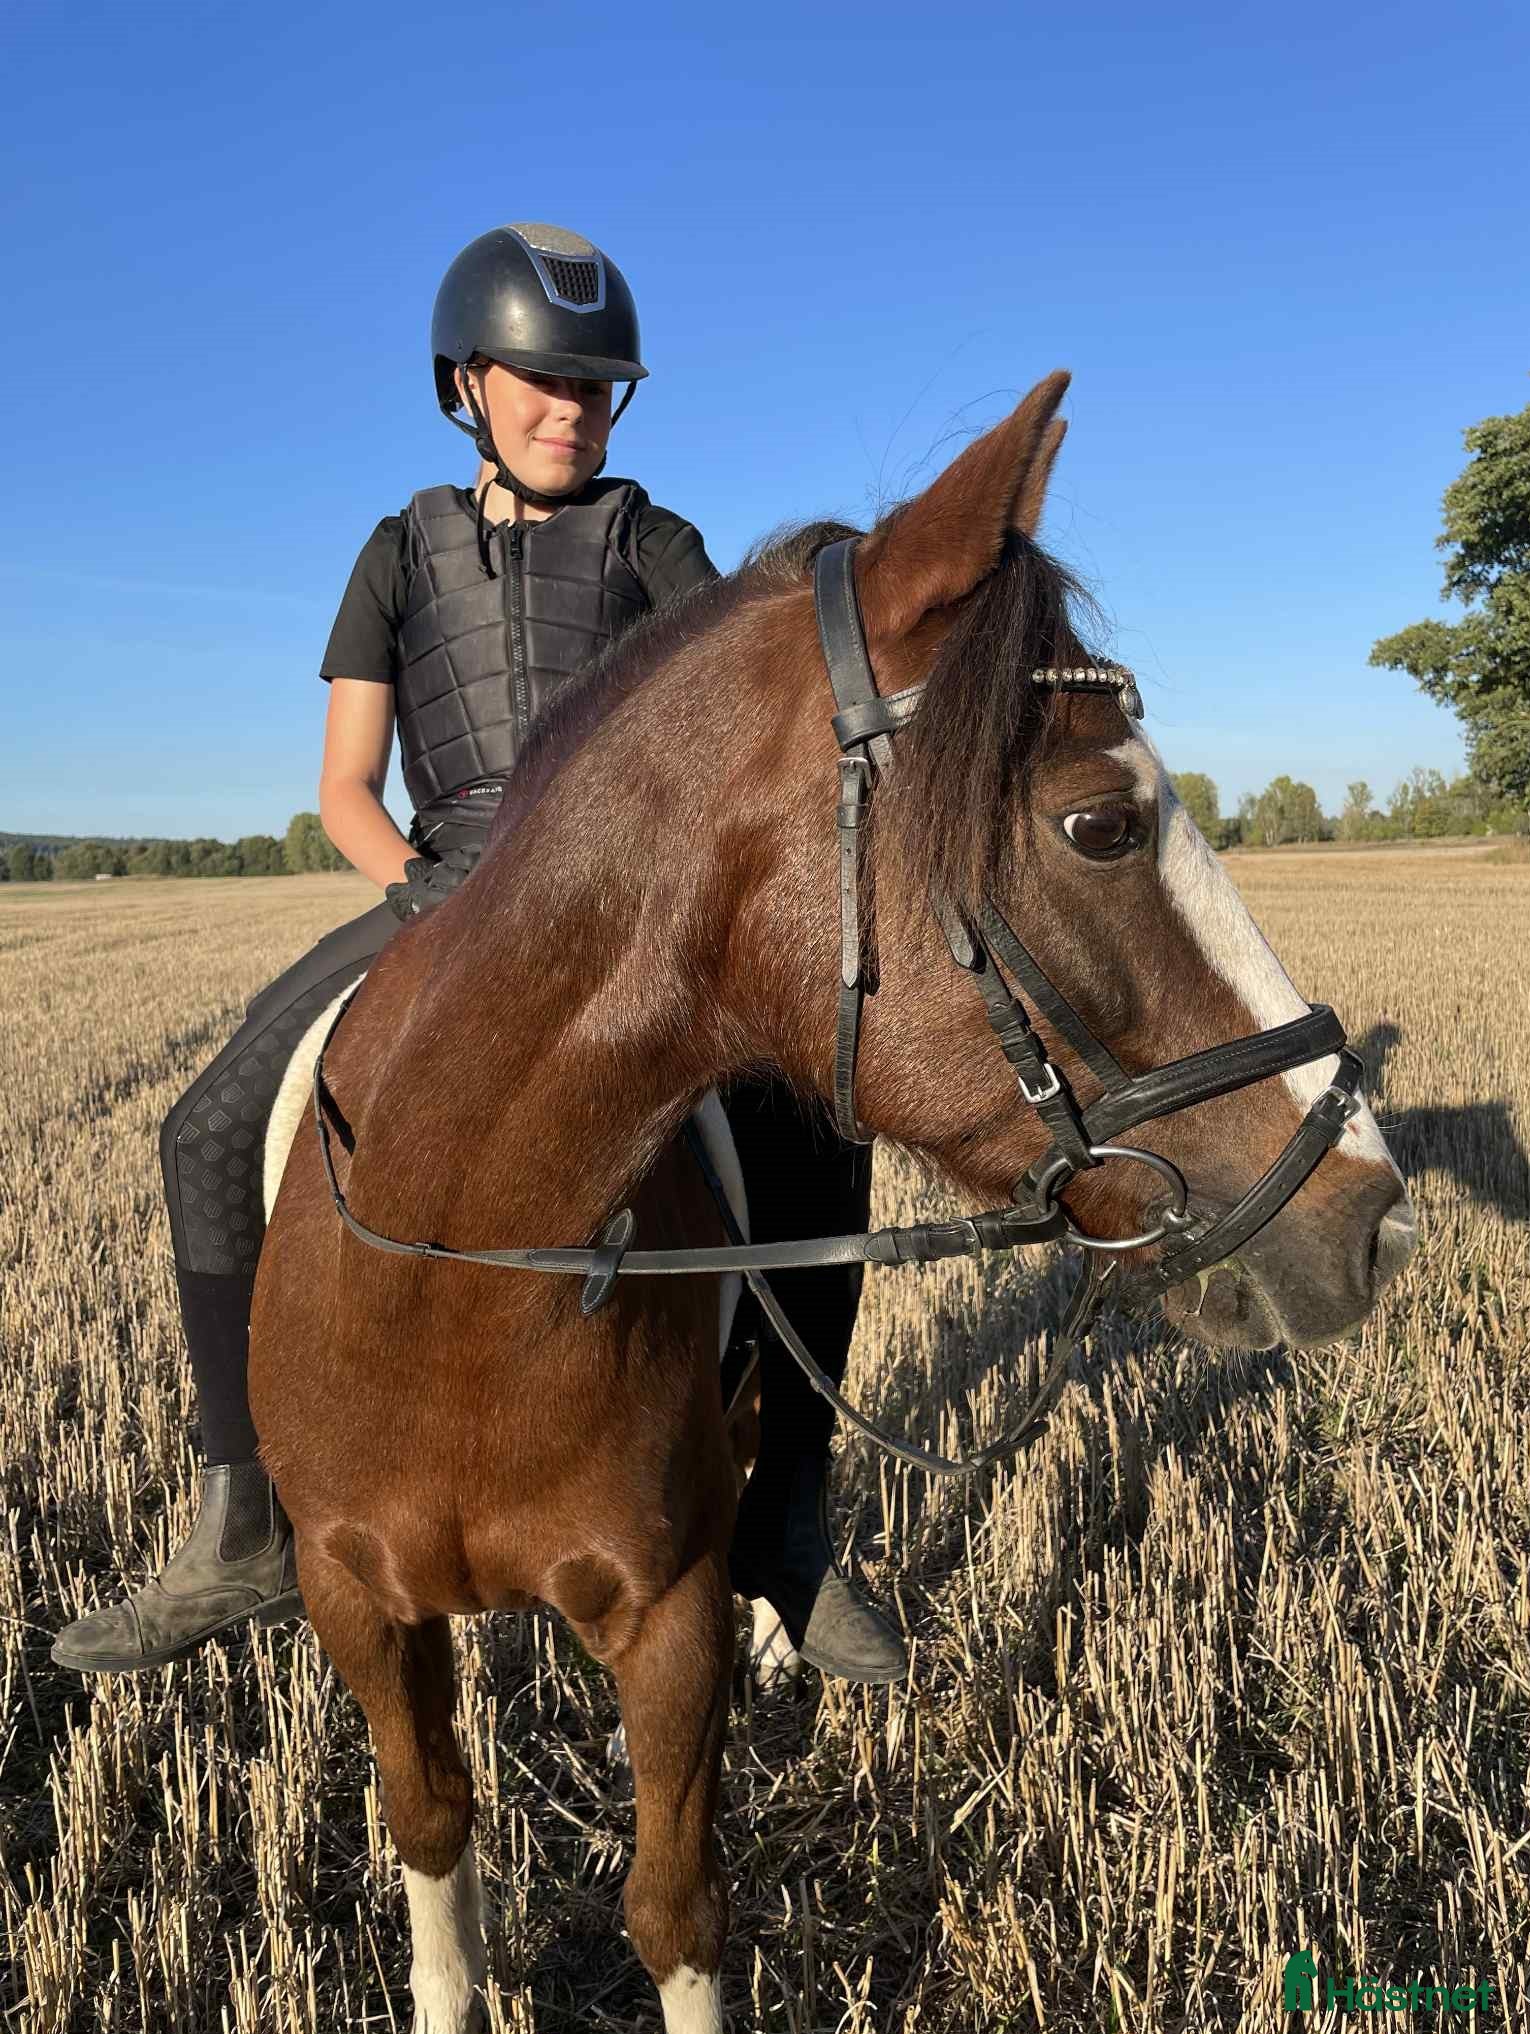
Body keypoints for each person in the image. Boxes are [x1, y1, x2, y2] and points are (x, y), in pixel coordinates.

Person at [53, 222, 906, 1686]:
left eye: (594, 388)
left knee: (815, 1124)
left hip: (618, 913)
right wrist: (428, 897)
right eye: (540, 382)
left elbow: (716, 738)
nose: (569, 409)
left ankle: (791, 1519)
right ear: (468, 383)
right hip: (432, 890)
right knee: (205, 1133)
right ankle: (239, 1528)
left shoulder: (657, 546)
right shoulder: (395, 555)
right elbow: (342, 788)